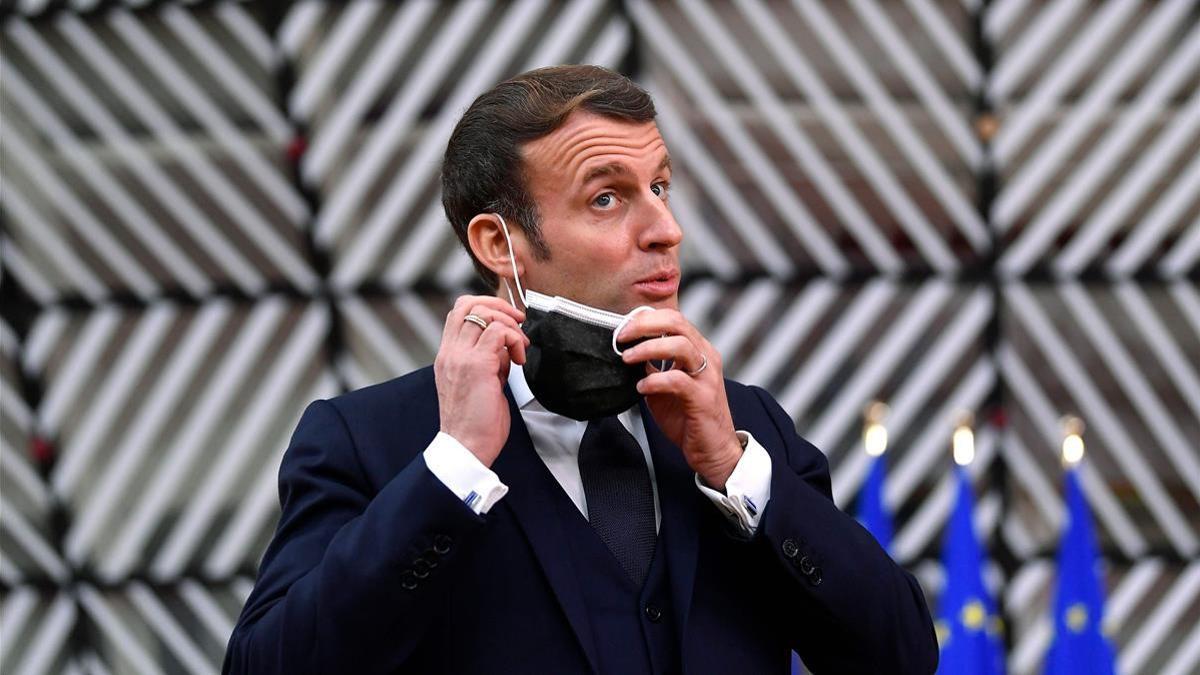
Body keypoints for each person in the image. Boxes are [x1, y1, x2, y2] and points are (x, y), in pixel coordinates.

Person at [224, 65, 937, 674]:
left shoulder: (747, 428)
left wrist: (732, 468)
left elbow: (900, 654)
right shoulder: (367, 440)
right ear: (498, 243)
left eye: (660, 187)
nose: (665, 229)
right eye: (607, 197)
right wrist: (453, 468)